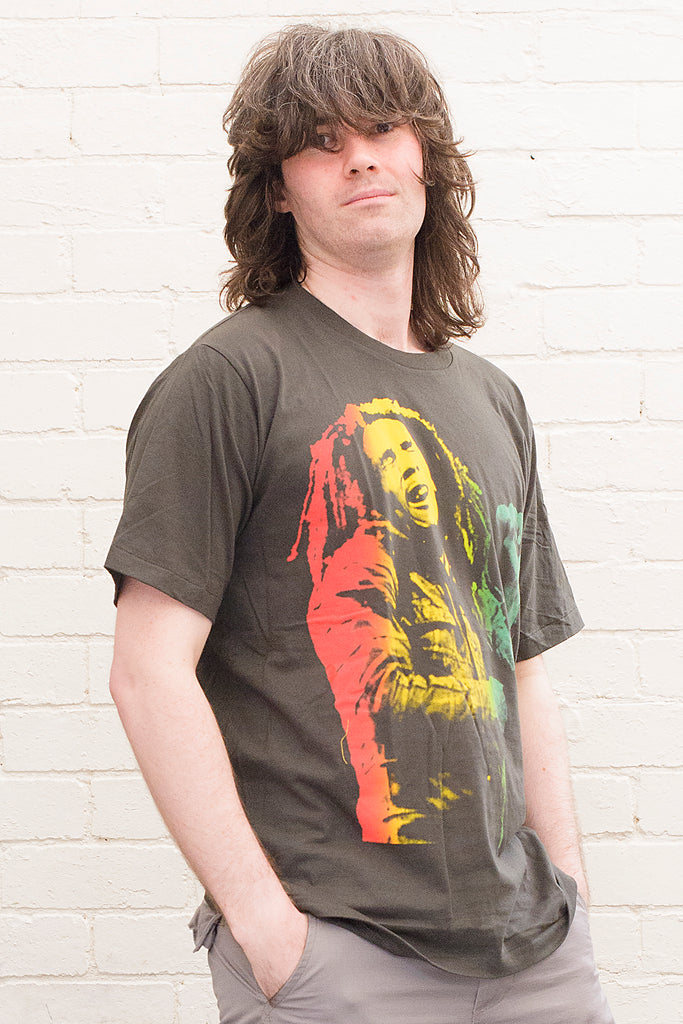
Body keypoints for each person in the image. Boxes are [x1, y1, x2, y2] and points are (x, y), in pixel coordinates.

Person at [106, 23, 614, 1024]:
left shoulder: (492, 400)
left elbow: (517, 662)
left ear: (428, 158)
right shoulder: (231, 379)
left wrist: (569, 889)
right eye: (320, 141)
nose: (360, 158)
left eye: (383, 128)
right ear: (278, 187)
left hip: (531, 951)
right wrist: (264, 924)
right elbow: (147, 668)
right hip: (336, 947)